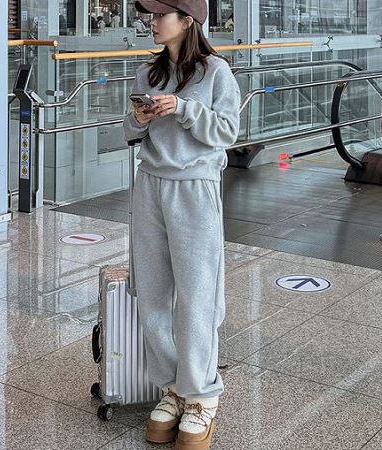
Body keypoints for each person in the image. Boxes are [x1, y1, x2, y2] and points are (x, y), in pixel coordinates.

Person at [123, 0, 240, 449]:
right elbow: (125, 134)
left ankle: (201, 395)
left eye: (159, 15)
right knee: (152, 291)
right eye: (149, 15)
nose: (151, 22)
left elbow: (227, 132)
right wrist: (139, 118)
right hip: (150, 185)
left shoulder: (216, 72)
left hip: (194, 188)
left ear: (187, 19)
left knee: (197, 294)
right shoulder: (149, 74)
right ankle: (171, 387)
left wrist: (184, 109)